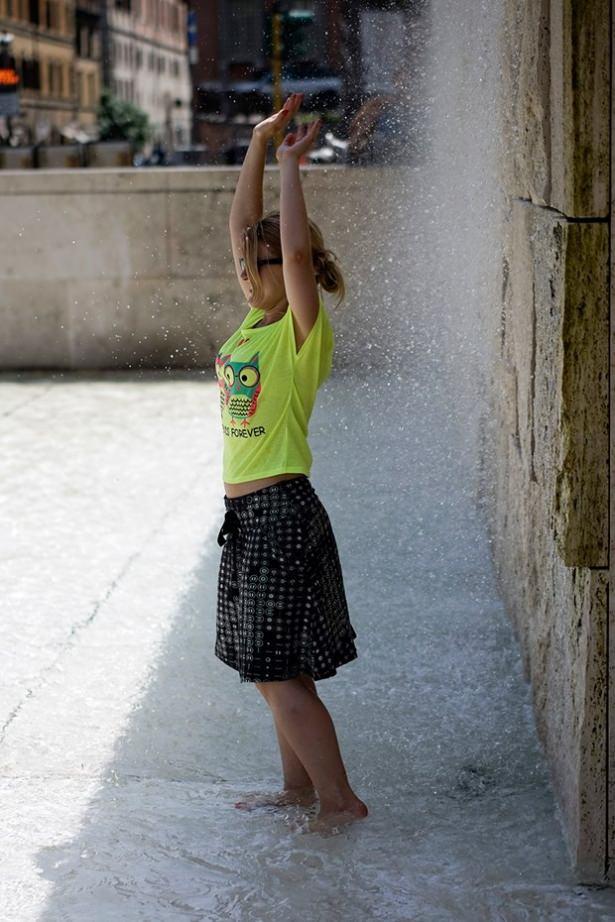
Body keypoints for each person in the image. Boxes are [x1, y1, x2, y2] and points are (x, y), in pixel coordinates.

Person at [213, 91, 368, 834]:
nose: (243, 272)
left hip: (278, 511)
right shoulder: (255, 317)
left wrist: (289, 167)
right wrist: (255, 143)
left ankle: (339, 801)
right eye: (245, 264)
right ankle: (299, 790)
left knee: (273, 671)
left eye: (255, 264)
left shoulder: (299, 332)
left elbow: (295, 252)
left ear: (284, 267)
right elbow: (242, 229)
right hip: (249, 515)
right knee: (277, 667)